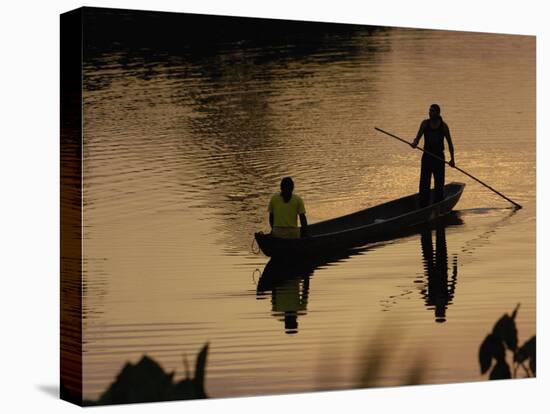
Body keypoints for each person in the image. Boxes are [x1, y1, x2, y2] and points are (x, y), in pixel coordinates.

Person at [411, 104, 456, 206]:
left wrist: (452, 160)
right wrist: (414, 143)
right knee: (424, 183)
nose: (430, 113)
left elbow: (450, 144)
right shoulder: (425, 124)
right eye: (429, 111)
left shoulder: (443, 126)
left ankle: (438, 204)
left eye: (432, 111)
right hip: (427, 157)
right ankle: (423, 204)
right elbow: (417, 139)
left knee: (439, 184)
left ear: (438, 113)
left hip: (439, 158)